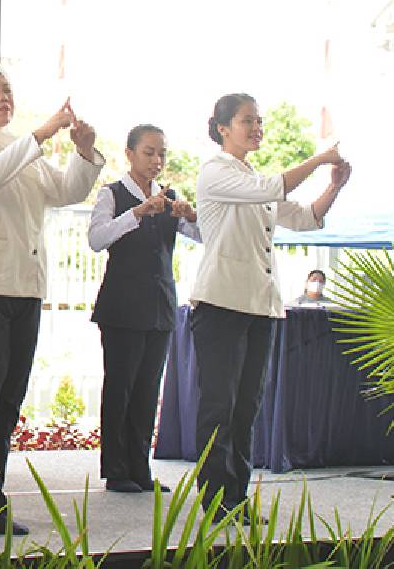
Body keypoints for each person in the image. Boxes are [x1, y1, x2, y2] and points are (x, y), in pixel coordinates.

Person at [0, 65, 104, 533]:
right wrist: (43, 132)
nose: (3, 97)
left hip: (22, 289)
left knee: (5, 406)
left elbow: (65, 190)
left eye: (7, 90)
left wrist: (84, 154)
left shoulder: (17, 148)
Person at [190, 93, 351, 515]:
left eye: (258, 121)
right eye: (247, 121)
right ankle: (213, 500)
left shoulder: (252, 176)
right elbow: (272, 187)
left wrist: (333, 185)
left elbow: (303, 217)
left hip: (259, 308)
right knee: (218, 409)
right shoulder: (215, 172)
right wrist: (319, 159)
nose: (257, 127)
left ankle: (235, 498)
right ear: (223, 128)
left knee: (246, 409)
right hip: (220, 305)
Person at [87, 124, 201, 494]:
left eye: (161, 154)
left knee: (148, 389)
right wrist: (137, 213)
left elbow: (202, 237)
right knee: (120, 386)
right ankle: (116, 469)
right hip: (122, 306)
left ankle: (140, 467)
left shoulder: (170, 198)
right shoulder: (112, 194)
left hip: (160, 306)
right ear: (130, 153)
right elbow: (96, 239)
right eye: (149, 152)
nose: (156, 160)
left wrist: (191, 214)